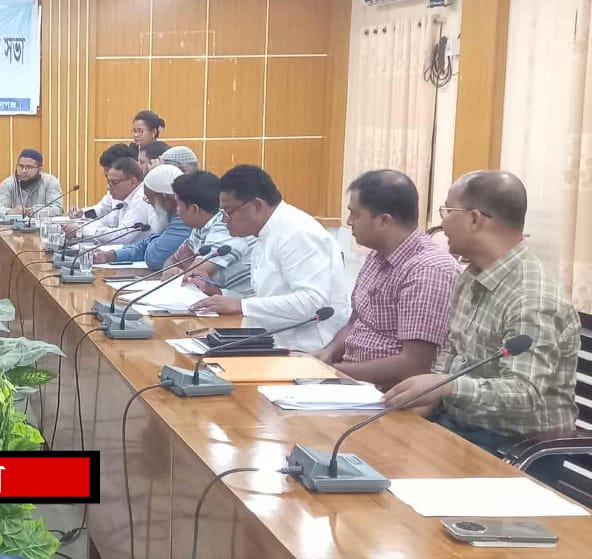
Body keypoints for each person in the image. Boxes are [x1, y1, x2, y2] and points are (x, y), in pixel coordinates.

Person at [383, 171, 580, 452]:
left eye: (447, 211)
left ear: (474, 219)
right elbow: (449, 358)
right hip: (456, 424)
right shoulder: (470, 276)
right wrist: (403, 420)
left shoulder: (532, 299)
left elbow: (523, 394)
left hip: (512, 445)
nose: (442, 223)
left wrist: (446, 386)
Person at [314, 170, 460, 389]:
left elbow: (414, 366)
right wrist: (329, 352)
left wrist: (333, 373)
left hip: (389, 395)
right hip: (352, 383)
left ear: (384, 221)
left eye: (355, 214)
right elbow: (357, 322)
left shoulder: (427, 270)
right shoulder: (377, 254)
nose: (349, 221)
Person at [190, 165, 351, 351]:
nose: (224, 220)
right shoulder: (265, 232)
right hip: (273, 338)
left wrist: (241, 305)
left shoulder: (297, 233)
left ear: (257, 205)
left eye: (228, 212)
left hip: (306, 348)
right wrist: (220, 295)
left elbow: (312, 302)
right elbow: (270, 296)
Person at [166, 171, 253, 296]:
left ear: (194, 209)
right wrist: (173, 270)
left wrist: (182, 270)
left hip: (245, 303)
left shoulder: (225, 227)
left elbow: (192, 277)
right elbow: (172, 261)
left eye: (178, 205)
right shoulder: (200, 228)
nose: (176, 211)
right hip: (221, 300)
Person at [93, 164, 191, 269]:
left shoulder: (185, 218)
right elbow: (145, 245)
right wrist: (112, 255)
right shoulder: (170, 214)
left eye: (149, 199)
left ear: (163, 197)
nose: (149, 204)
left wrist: (152, 242)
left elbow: (156, 258)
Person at [65, 157, 154, 245]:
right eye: (108, 182)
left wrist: (81, 231)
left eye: (114, 183)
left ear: (133, 182)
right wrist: (79, 226)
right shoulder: (122, 199)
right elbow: (103, 221)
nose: (108, 187)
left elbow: (122, 236)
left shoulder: (142, 198)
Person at [67, 143, 137, 219]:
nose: (105, 173)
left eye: (107, 169)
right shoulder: (114, 189)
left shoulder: (138, 196)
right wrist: (82, 214)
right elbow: (100, 210)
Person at [0, 149, 63, 219]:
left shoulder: (50, 182)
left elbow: (58, 208)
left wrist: (39, 211)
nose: (24, 171)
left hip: (41, 225)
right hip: (14, 226)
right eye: (21, 166)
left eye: (29, 167)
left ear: (40, 169)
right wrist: (11, 212)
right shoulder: (8, 184)